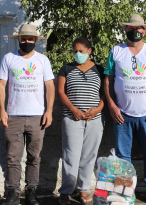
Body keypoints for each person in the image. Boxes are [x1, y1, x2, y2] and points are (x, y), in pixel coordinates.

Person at [104, 14, 146, 204]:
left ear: (145, 30)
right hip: (122, 113)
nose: (135, 31)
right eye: (131, 28)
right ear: (125, 30)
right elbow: (108, 79)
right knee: (123, 155)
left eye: (139, 28)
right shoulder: (116, 51)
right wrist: (112, 105)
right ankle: (124, 191)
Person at [0, 24, 55, 205]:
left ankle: (31, 192)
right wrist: (2, 111)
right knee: (13, 158)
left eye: (30, 39)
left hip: (37, 117)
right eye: (24, 39)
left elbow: (50, 86)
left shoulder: (43, 60)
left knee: (34, 157)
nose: (27, 42)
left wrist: (49, 111)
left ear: (36, 40)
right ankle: (12, 193)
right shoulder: (9, 58)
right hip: (13, 116)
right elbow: (0, 85)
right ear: (19, 39)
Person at [57, 37, 105, 205]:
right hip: (72, 119)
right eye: (75, 51)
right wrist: (73, 110)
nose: (77, 54)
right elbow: (61, 92)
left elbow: (106, 93)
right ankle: (65, 191)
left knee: (89, 156)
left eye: (81, 51)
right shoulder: (67, 68)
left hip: (95, 120)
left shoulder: (100, 70)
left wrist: (98, 109)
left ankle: (83, 190)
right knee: (71, 155)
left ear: (89, 51)